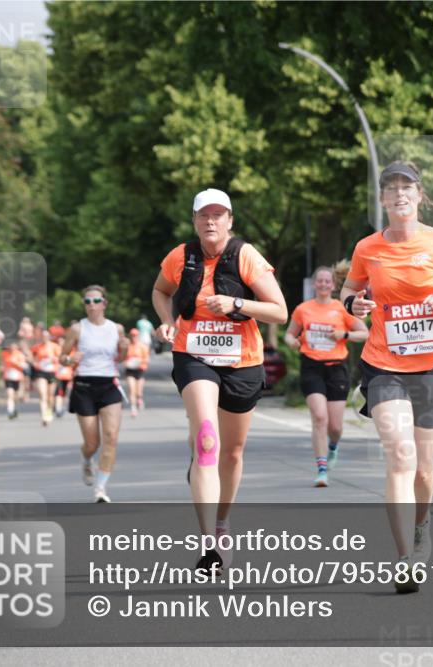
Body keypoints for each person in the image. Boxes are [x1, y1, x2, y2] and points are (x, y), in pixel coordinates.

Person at [339, 161, 433, 593]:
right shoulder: (367, 248)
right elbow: (349, 291)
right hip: (385, 364)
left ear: (420, 195)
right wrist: (353, 305)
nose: (399, 194)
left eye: (407, 187)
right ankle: (403, 560)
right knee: (399, 455)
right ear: (382, 199)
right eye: (391, 188)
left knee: (424, 471)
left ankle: (422, 526)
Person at [152, 187, 287, 572]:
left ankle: (222, 520)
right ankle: (208, 542)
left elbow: (280, 312)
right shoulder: (181, 257)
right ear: (194, 220)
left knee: (232, 452)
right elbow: (161, 291)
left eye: (218, 215)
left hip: (242, 361)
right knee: (207, 440)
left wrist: (236, 304)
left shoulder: (246, 256)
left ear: (230, 221)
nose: (210, 222)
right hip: (193, 355)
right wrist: (167, 321)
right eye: (204, 215)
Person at [284, 266, 368, 487]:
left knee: (335, 427)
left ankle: (333, 447)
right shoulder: (303, 309)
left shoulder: (341, 309)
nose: (323, 284)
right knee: (319, 417)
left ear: (333, 285)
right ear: (314, 284)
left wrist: (344, 334)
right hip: (311, 367)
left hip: (336, 369)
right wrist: (292, 342)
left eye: (327, 281)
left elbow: (364, 333)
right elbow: (289, 334)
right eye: (319, 281)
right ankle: (321, 469)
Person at [60, 285, 130, 503]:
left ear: (104, 304)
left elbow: (121, 358)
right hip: (84, 386)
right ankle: (86, 459)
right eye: (87, 301)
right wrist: (70, 359)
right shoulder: (77, 329)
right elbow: (62, 357)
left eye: (96, 301)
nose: (92, 305)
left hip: (109, 384)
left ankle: (100, 488)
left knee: (111, 438)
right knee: (92, 443)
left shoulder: (116, 328)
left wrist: (125, 348)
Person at [31, 329, 62, 426]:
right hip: (41, 373)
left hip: (52, 373)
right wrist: (35, 363)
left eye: (46, 336)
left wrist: (55, 360)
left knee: (50, 397)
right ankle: (44, 416)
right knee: (42, 394)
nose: (45, 338)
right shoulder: (37, 347)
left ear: (49, 337)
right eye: (43, 336)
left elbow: (61, 359)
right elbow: (31, 357)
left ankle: (49, 413)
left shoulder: (55, 347)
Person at [124, 328, 150, 417]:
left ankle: (139, 398)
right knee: (132, 390)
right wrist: (127, 362)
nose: (133, 337)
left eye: (135, 336)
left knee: (138, 392)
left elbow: (146, 359)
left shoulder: (143, 347)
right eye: (132, 336)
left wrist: (140, 362)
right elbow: (123, 357)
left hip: (139, 370)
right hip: (130, 370)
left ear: (138, 336)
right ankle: (133, 408)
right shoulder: (128, 346)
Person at [0, 341, 27, 419]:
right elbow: (2, 363)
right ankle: (10, 411)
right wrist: (2, 368)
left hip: (17, 378)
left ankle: (14, 408)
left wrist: (16, 363)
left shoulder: (20, 354)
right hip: (8, 377)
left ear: (16, 346)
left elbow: (24, 366)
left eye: (13, 346)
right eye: (10, 346)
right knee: (9, 394)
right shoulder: (4, 353)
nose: (11, 348)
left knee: (16, 397)